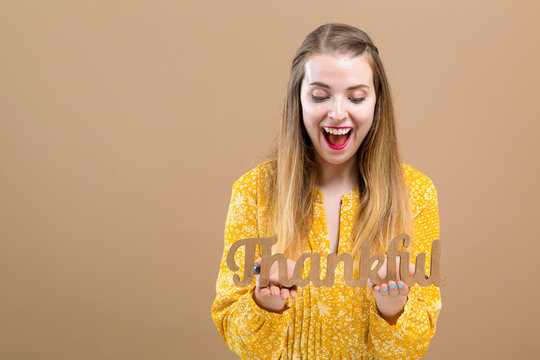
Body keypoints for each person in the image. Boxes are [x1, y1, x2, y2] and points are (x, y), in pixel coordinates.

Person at [211, 23, 442, 359]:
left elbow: (412, 349)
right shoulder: (254, 192)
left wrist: (392, 304)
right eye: (320, 96)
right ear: (299, 100)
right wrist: (267, 300)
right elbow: (242, 343)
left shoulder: (416, 194)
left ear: (377, 103)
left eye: (357, 97)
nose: (337, 113)